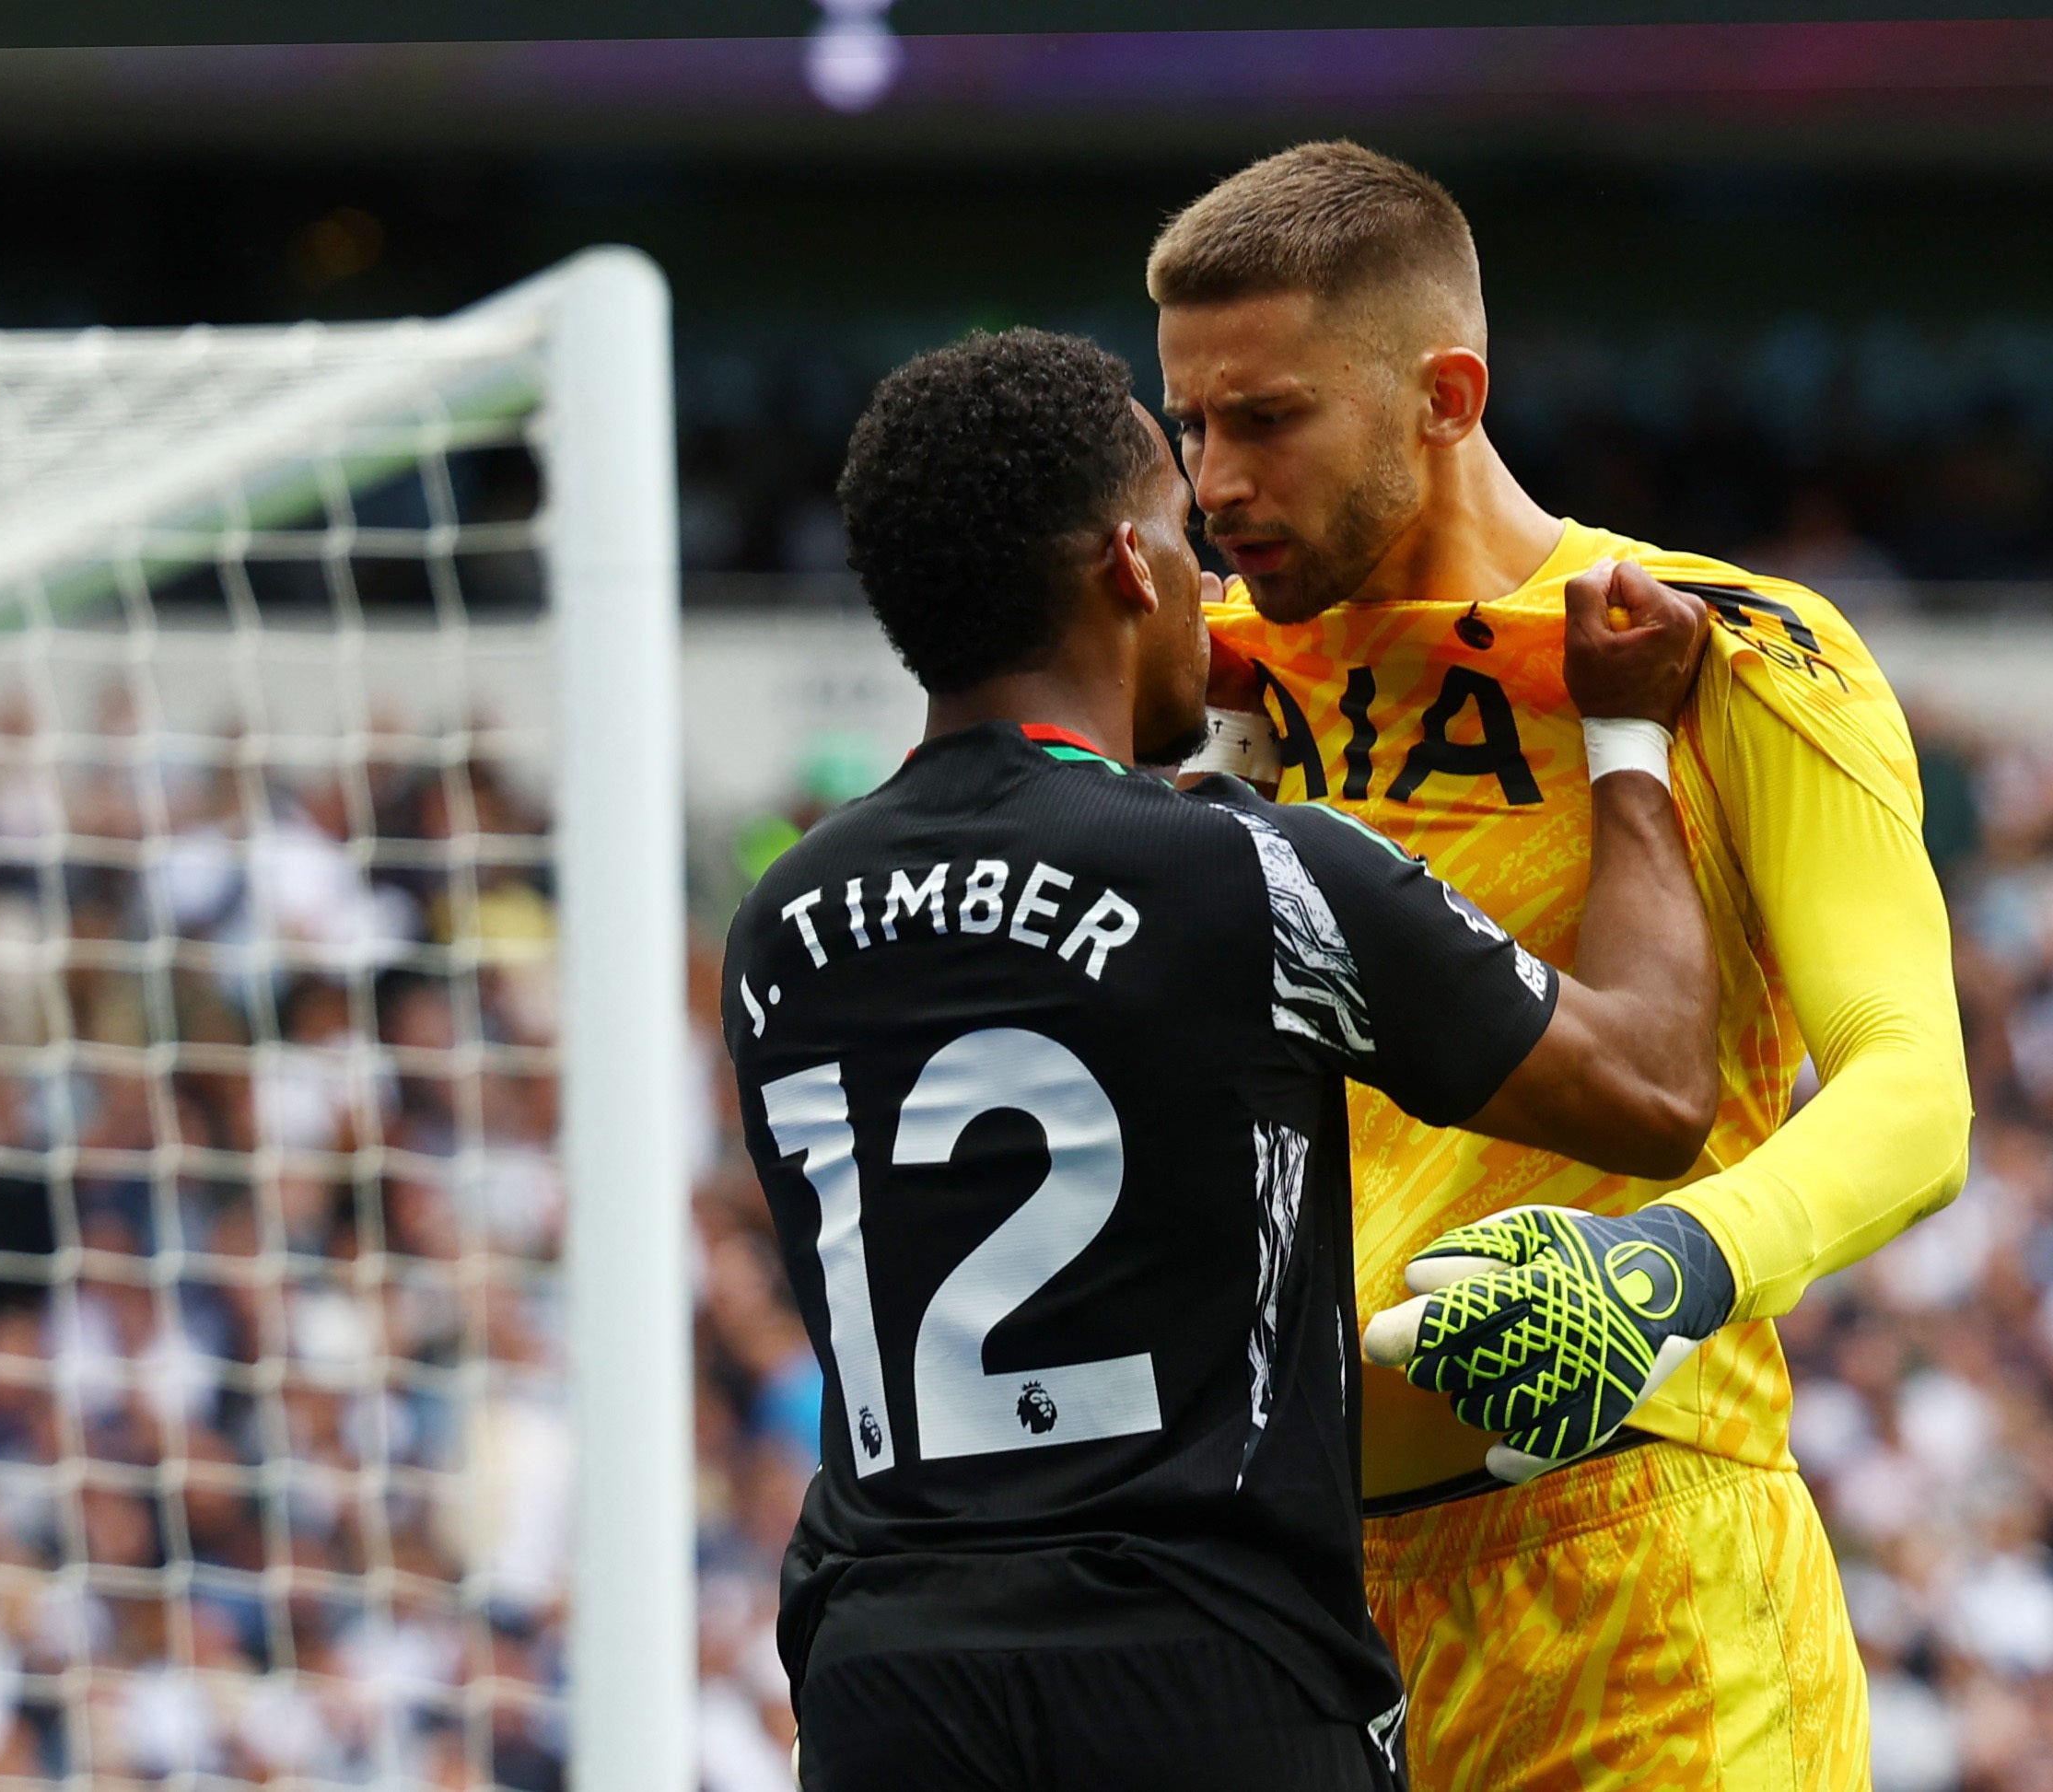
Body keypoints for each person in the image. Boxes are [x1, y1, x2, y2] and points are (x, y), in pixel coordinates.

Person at [723, 327, 1724, 1790]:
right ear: (1129, 566)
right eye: (1190, 538)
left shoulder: (779, 919)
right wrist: (1627, 737)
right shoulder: (1249, 879)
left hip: (885, 1680)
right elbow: (1651, 1087)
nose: (1220, 577)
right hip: (1205, 1672)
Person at [1150, 144, 1974, 1787]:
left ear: (1444, 395)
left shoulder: (1721, 647)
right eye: (1187, 426)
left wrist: (1655, 1274)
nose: (1212, 481)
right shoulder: (1206, 683)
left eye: (1266, 420)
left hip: (1637, 1583)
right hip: (1287, 1593)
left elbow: (1913, 1089)